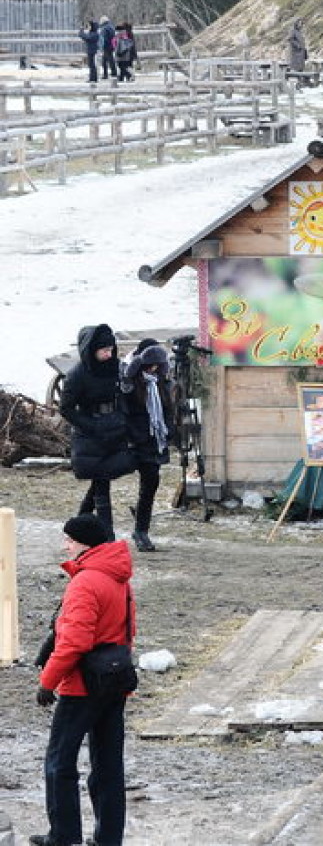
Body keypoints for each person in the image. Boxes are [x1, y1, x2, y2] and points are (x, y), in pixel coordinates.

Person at [32, 514, 135, 846]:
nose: (65, 545)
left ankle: (62, 836)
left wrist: (48, 681)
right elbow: (126, 630)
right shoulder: (118, 577)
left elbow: (74, 642)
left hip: (82, 685)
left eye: (69, 539)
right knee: (107, 765)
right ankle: (108, 838)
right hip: (114, 681)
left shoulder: (86, 582)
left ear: (83, 543)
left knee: (60, 760)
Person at [59, 324, 134, 537]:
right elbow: (66, 408)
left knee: (103, 477)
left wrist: (123, 418)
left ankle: (79, 521)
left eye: (111, 349)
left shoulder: (116, 367)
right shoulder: (77, 375)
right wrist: (91, 425)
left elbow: (126, 393)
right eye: (104, 351)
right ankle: (107, 534)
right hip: (90, 434)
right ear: (91, 350)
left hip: (115, 428)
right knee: (102, 482)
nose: (109, 354)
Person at [119, 339, 172, 552]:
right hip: (133, 441)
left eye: (157, 366)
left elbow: (167, 410)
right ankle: (87, 520)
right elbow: (124, 408)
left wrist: (168, 432)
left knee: (150, 486)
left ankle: (141, 531)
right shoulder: (129, 381)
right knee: (101, 480)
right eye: (150, 365)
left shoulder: (161, 382)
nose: (153, 370)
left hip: (152, 442)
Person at [97, 16, 117, 81]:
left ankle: (111, 74)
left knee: (108, 60)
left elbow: (103, 38)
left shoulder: (104, 28)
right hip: (111, 45)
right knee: (107, 60)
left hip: (106, 46)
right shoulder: (111, 26)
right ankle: (109, 73)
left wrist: (101, 46)